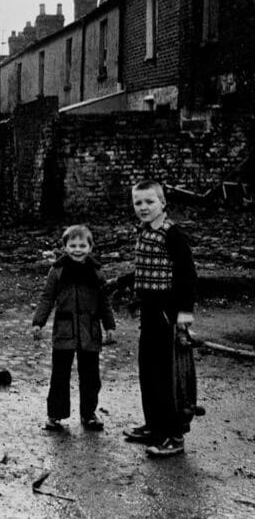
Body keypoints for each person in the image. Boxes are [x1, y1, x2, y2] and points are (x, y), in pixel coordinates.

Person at [121, 180, 199, 458]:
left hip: (168, 313)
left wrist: (184, 316)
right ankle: (154, 426)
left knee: (169, 378)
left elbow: (187, 276)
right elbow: (147, 268)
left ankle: (174, 435)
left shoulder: (172, 234)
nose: (143, 207)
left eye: (149, 202)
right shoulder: (143, 231)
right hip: (150, 312)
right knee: (149, 372)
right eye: (138, 202)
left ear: (163, 203)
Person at [31, 225, 115, 433]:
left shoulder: (96, 272)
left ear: (90, 247)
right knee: (59, 374)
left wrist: (110, 326)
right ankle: (55, 415)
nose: (78, 249)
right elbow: (47, 298)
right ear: (65, 247)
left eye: (82, 245)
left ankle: (89, 414)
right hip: (64, 330)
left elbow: (105, 300)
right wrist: (38, 322)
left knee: (91, 376)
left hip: (90, 331)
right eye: (73, 245)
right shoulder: (57, 270)